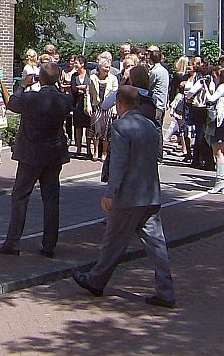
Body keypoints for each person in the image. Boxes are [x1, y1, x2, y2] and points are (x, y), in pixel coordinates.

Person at [73, 85, 175, 308]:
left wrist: (110, 192)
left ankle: (96, 281)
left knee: (113, 242)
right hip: (150, 194)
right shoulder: (151, 126)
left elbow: (119, 163)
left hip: (128, 196)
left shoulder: (120, 126)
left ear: (119, 104)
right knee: (157, 245)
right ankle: (165, 291)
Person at [0, 62, 73, 258]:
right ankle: (49, 245)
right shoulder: (65, 100)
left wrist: (22, 85)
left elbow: (11, 103)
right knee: (51, 200)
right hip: (53, 155)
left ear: (39, 78)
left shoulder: (30, 98)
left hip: (31, 154)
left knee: (20, 197)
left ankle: (13, 242)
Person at [205, 66, 224, 194]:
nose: (213, 78)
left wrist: (205, 88)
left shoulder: (222, 87)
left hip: (220, 121)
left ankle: (220, 182)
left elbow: (211, 99)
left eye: (214, 76)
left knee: (218, 152)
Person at [88, 58, 120, 163]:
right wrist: (88, 105)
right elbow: (88, 93)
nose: (107, 69)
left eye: (109, 67)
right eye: (106, 67)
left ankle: (104, 152)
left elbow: (115, 95)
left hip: (108, 107)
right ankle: (96, 151)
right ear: (100, 68)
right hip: (96, 106)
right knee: (96, 130)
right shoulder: (92, 78)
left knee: (106, 131)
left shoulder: (113, 78)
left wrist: (115, 109)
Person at [68, 55, 91, 158]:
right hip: (77, 104)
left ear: (82, 64)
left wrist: (85, 88)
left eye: (76, 62)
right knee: (78, 127)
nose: (75, 64)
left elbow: (91, 87)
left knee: (88, 127)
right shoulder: (74, 76)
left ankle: (89, 149)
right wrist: (81, 90)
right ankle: (78, 148)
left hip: (87, 104)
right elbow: (73, 89)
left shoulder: (90, 74)